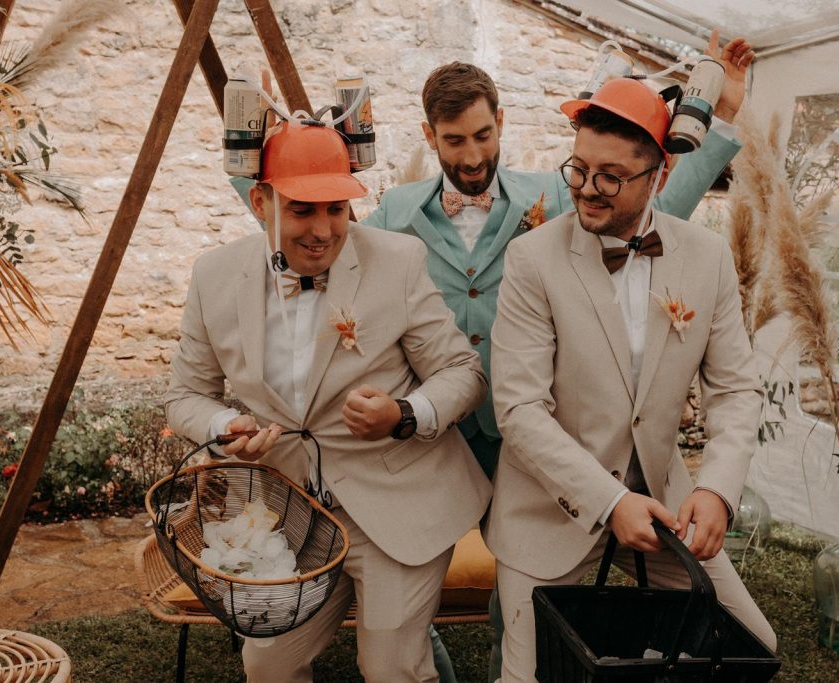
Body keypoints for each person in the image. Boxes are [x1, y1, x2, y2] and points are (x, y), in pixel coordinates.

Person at [364, 32, 754, 682]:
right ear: (429, 136)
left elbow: (656, 209)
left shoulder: (559, 191)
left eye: (483, 135)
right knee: (405, 601)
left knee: (515, 619)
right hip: (440, 436)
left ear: (502, 126)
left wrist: (721, 123)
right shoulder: (392, 215)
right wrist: (259, 187)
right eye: (454, 139)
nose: (472, 153)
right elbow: (331, 253)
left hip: (542, 437)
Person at [165, 119, 492, 682]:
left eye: (336, 209)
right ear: (262, 201)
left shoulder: (398, 262)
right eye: (302, 211)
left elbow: (463, 371)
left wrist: (405, 415)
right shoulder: (214, 276)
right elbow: (186, 395)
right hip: (289, 518)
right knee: (268, 665)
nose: (323, 230)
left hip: (398, 505)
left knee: (391, 667)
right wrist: (227, 425)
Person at [485, 76, 776, 682]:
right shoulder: (532, 260)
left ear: (659, 178)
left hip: (668, 508)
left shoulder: (707, 257)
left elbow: (735, 389)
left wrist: (718, 489)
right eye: (579, 170)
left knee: (752, 645)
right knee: (529, 676)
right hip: (550, 508)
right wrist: (610, 501)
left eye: (611, 176)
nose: (587, 190)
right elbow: (519, 411)